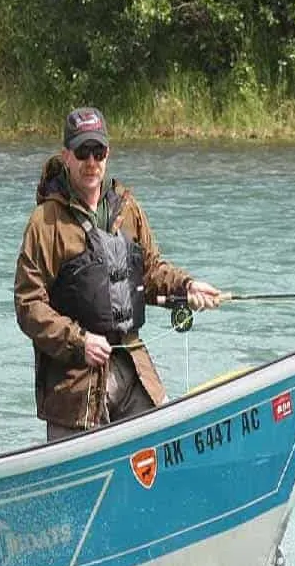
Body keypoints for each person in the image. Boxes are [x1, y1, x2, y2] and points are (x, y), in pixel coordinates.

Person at [14, 106, 221, 441]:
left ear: (108, 154)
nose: (91, 162)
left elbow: (151, 271)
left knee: (166, 445)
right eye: (83, 152)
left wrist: (188, 286)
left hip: (134, 371)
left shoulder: (128, 207)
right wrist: (79, 341)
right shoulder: (44, 223)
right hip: (76, 391)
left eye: (99, 151)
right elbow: (28, 305)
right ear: (67, 155)